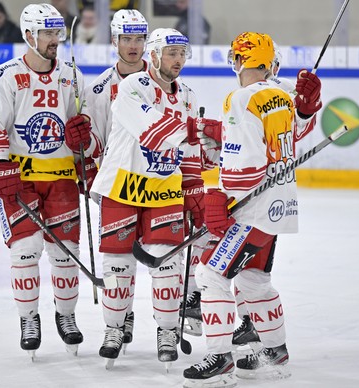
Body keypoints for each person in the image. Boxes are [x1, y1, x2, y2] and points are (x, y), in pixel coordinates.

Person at [182, 32, 322, 387]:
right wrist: (305, 110)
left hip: (252, 209)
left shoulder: (240, 98)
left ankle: (220, 358)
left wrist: (220, 196)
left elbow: (243, 164)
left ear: (240, 60)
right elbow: (296, 135)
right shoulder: (282, 95)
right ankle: (275, 351)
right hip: (280, 205)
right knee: (254, 280)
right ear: (269, 62)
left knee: (211, 276)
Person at [0, 3, 99, 360]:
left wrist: (84, 145)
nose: (54, 40)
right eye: (47, 33)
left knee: (66, 254)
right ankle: (28, 318)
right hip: (21, 180)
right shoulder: (6, 75)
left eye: (57, 33)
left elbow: (84, 126)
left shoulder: (72, 75)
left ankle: (66, 316)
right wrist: (0, 165)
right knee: (25, 251)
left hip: (61, 178)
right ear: (28, 35)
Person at [88, 27, 209, 370]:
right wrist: (197, 130)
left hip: (164, 190)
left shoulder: (187, 94)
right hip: (122, 186)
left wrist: (194, 189)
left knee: (167, 265)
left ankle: (167, 331)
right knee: (117, 267)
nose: (178, 60)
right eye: (171, 53)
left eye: (182, 54)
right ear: (154, 55)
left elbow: (190, 154)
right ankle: (113, 328)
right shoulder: (132, 87)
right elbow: (153, 131)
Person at [80, 9, 150, 355]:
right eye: (127, 38)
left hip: (156, 185)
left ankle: (153, 320)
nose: (133, 46)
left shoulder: (161, 81)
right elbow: (95, 143)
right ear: (114, 40)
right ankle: (120, 319)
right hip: (117, 185)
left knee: (159, 256)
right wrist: (85, 156)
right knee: (119, 257)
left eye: (139, 38)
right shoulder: (98, 89)